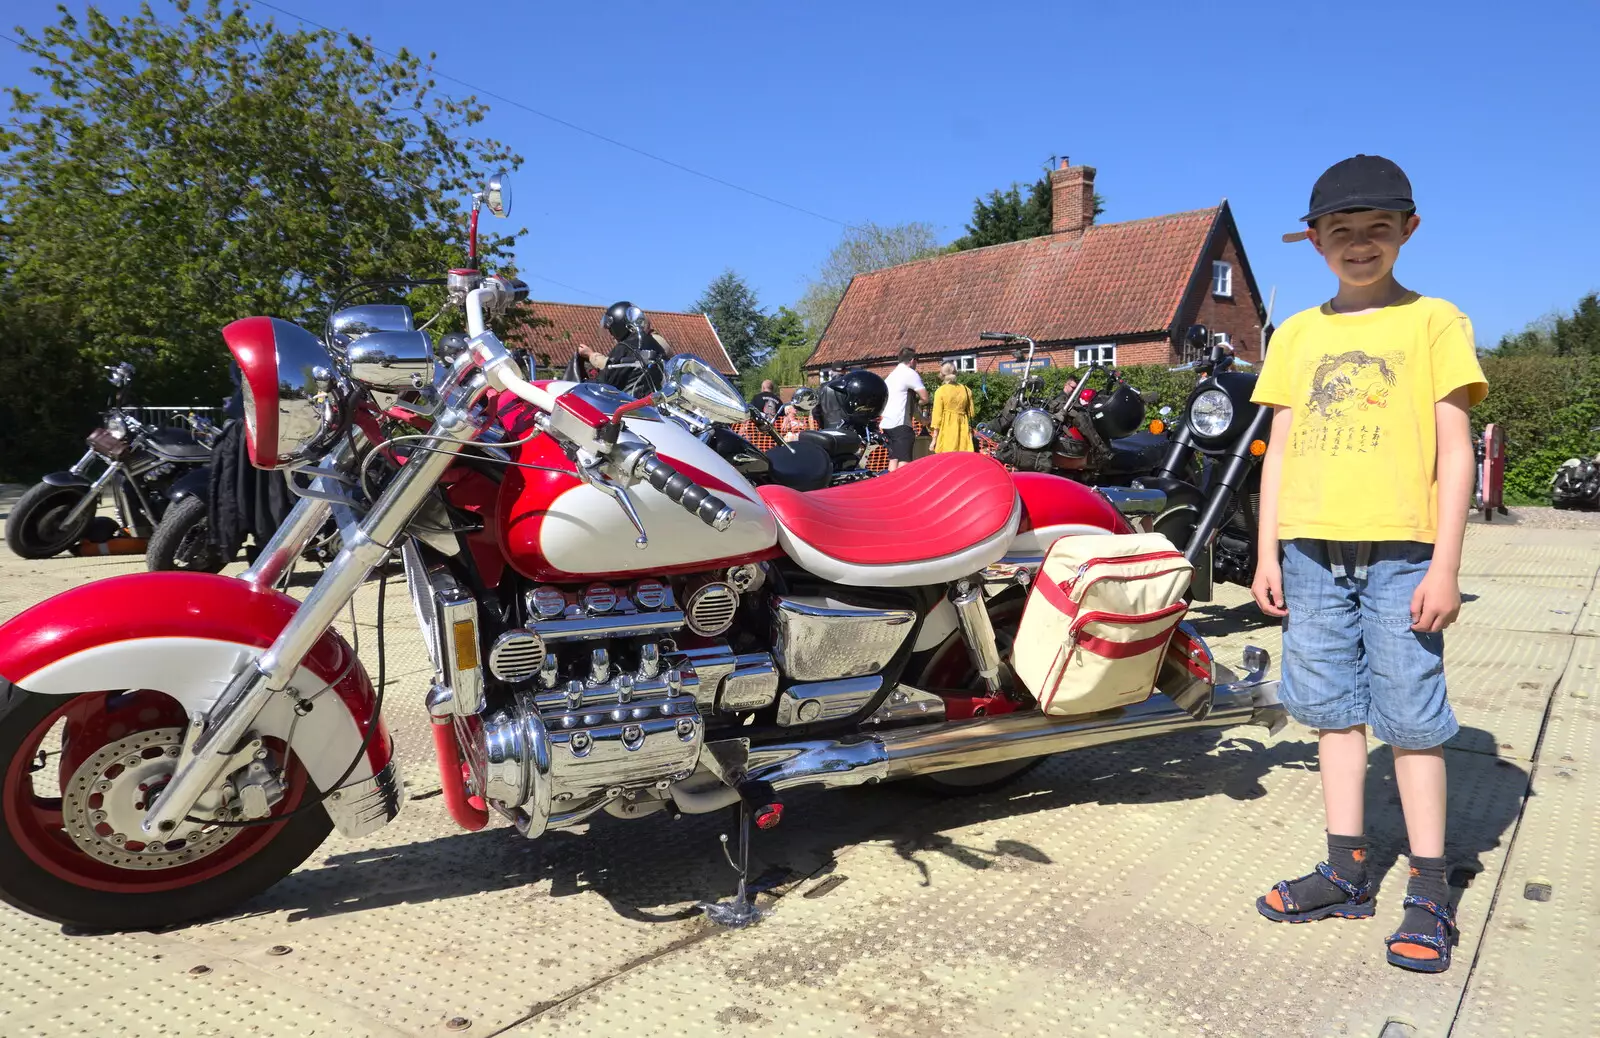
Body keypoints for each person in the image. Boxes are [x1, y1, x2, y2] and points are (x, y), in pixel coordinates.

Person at [1249, 155, 1487, 974]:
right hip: (1311, 552)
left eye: (1377, 230)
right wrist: (1267, 548)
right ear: (1314, 241)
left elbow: (1457, 453)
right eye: (1340, 232)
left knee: (1413, 720)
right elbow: (1275, 447)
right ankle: (1347, 869)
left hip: (1402, 555)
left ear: (1407, 231)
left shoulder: (1434, 323)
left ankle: (1428, 886)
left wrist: (1445, 564)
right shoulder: (1300, 334)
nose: (1359, 245)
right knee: (1329, 712)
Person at [576, 300, 671, 398]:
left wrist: (584, 384)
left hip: (629, 406)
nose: (612, 334)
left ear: (618, 326)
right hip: (651, 405)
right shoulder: (654, 344)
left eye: (611, 330)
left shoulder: (625, 347)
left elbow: (605, 383)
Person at [880, 347, 928, 471]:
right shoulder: (910, 373)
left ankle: (891, 487)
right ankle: (902, 488)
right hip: (900, 424)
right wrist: (922, 403)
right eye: (917, 360)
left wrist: (922, 420)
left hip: (887, 423)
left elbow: (908, 404)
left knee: (893, 458)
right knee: (904, 461)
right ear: (912, 360)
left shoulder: (891, 376)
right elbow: (925, 397)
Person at [929, 363, 975, 453]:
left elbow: (937, 417)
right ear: (955, 373)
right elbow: (971, 413)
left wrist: (934, 439)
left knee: (947, 459)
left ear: (942, 374)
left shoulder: (940, 391)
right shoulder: (966, 390)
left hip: (946, 429)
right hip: (963, 428)